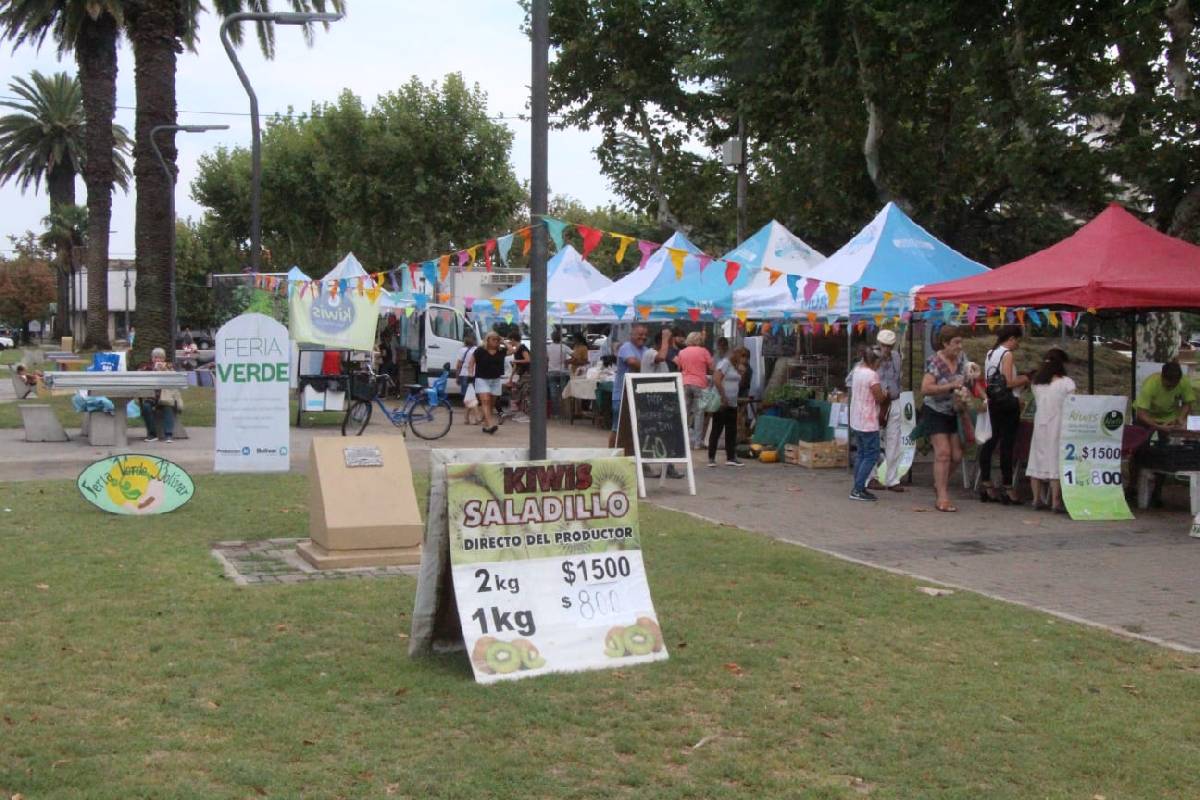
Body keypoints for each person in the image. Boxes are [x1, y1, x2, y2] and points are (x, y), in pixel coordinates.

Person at [978, 325, 1031, 505]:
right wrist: (1024, 379)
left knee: (991, 441)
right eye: (1018, 340)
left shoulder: (990, 353)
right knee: (1007, 445)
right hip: (1008, 404)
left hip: (994, 402)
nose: (1018, 344)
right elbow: (1008, 382)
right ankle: (1008, 486)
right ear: (1012, 338)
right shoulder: (1007, 354)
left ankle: (986, 482)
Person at [921, 327, 968, 512]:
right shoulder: (934, 361)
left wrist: (981, 395)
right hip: (934, 410)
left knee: (956, 455)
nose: (959, 346)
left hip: (953, 410)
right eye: (956, 343)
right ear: (945, 343)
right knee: (943, 453)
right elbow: (925, 388)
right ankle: (942, 496)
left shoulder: (962, 358)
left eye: (960, 342)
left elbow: (970, 378)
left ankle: (939, 483)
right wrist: (949, 386)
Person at [1027, 348, 1075, 513]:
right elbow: (1073, 403)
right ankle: (1055, 501)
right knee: (1055, 461)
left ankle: (1036, 499)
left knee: (1036, 459)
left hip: (1040, 424)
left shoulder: (1036, 382)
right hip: (1059, 424)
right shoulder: (1067, 383)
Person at [848, 346, 887, 501]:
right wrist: (885, 394)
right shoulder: (872, 375)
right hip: (868, 420)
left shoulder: (857, 370)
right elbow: (879, 398)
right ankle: (858, 488)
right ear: (875, 361)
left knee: (861, 453)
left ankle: (858, 485)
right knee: (871, 454)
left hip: (857, 418)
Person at [873, 329, 905, 492]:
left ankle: (892, 478)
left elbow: (898, 377)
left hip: (893, 400)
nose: (886, 349)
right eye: (884, 346)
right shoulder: (871, 358)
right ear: (879, 344)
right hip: (876, 402)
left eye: (889, 346)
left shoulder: (897, 357)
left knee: (894, 440)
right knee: (873, 439)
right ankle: (871, 476)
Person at [609, 324, 649, 447]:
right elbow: (632, 362)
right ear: (632, 335)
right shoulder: (626, 347)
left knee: (633, 429)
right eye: (640, 334)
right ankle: (610, 455)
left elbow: (654, 360)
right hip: (621, 394)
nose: (643, 337)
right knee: (618, 427)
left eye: (645, 335)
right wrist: (649, 365)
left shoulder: (645, 350)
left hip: (636, 394)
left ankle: (629, 456)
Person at [709, 346, 748, 467]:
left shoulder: (737, 368)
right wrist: (723, 396)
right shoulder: (725, 363)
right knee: (717, 428)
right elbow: (716, 379)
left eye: (746, 357)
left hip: (733, 402)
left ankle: (731, 456)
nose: (744, 360)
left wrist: (742, 372)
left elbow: (739, 383)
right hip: (722, 401)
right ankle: (711, 457)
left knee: (731, 429)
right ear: (736, 355)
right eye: (742, 356)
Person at [674, 332, 713, 449]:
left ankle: (682, 441)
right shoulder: (704, 351)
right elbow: (712, 367)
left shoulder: (682, 352)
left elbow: (679, 367)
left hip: (685, 383)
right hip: (700, 384)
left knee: (685, 412)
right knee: (699, 414)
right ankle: (697, 443)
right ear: (699, 340)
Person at [1134, 361, 1194, 433]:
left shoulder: (1184, 381)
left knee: (1167, 443)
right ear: (1162, 377)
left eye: (1174, 386)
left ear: (1179, 380)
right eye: (1168, 386)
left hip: (1170, 418)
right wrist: (1158, 427)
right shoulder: (1150, 385)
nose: (1171, 388)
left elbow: (1187, 403)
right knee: (1143, 441)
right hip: (1148, 417)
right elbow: (1141, 413)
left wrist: (1180, 418)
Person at [467, 332, 506, 434]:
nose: (496, 342)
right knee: (485, 400)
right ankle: (490, 425)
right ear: (487, 340)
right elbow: (471, 363)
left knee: (491, 404)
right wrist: (470, 373)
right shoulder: (480, 350)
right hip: (482, 378)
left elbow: (511, 350)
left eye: (497, 340)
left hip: (495, 380)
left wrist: (504, 341)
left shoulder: (500, 350)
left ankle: (485, 423)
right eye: (493, 339)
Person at [140, 347, 179, 443]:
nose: (158, 360)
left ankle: (168, 435)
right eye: (155, 357)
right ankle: (152, 434)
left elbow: (175, 377)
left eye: (160, 358)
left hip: (165, 396)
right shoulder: (147, 367)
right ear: (152, 358)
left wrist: (165, 369)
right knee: (146, 407)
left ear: (164, 358)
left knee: (168, 407)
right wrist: (153, 370)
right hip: (152, 397)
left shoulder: (169, 366)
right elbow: (140, 374)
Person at [546, 330, 572, 418]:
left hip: (551, 372)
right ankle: (565, 412)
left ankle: (556, 413)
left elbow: (545, 359)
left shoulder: (548, 347)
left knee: (554, 394)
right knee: (563, 393)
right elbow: (574, 355)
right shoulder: (564, 347)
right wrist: (567, 361)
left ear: (552, 338)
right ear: (560, 338)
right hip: (563, 372)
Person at [454, 333, 478, 425]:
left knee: (469, 397)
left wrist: (457, 377)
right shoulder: (477, 350)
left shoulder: (462, 350)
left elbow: (459, 365)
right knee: (471, 396)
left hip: (465, 375)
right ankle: (468, 418)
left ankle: (474, 417)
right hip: (474, 374)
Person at [505, 332, 531, 415]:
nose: (510, 343)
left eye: (510, 341)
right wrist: (510, 378)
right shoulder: (517, 350)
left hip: (528, 373)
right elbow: (515, 366)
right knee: (519, 390)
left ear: (513, 339)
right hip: (522, 373)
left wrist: (516, 361)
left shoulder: (522, 348)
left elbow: (528, 359)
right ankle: (521, 410)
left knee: (524, 392)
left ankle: (525, 411)